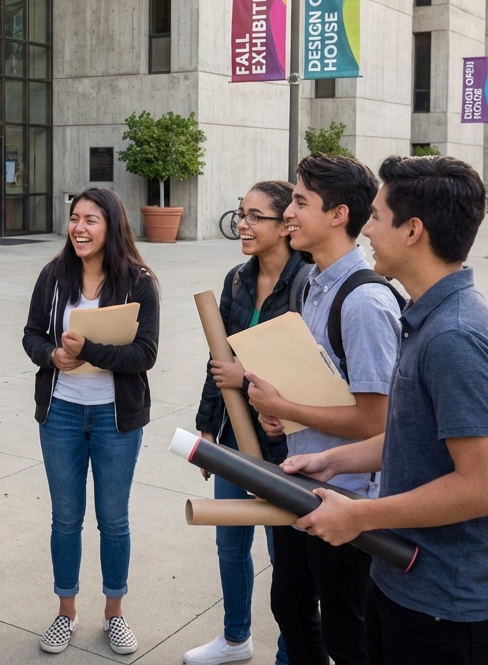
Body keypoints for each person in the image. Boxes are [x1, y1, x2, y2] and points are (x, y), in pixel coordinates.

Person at [283, 155, 488, 665]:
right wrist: (333, 462)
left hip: (444, 603)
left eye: (375, 217)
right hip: (403, 578)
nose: (365, 229)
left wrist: (360, 515)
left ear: (413, 230)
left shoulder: (455, 337)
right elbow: (417, 439)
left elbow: (485, 486)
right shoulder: (430, 318)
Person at [245, 154, 402, 665]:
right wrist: (281, 413)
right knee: (290, 608)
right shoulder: (313, 281)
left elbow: (377, 422)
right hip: (300, 481)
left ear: (338, 215)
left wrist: (287, 405)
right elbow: (321, 390)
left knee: (346, 631)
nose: (288, 212)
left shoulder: (365, 302)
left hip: (348, 497)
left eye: (300, 201)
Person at [22, 188, 160, 657]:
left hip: (115, 418)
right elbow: (31, 335)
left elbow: (146, 353)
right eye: (75, 218)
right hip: (60, 413)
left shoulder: (139, 281)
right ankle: (66, 613)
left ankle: (114, 615)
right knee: (65, 519)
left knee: (113, 520)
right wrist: (52, 355)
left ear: (112, 226)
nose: (79, 228)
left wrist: (87, 351)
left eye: (91, 220)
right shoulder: (54, 275)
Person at [184, 181, 311, 665]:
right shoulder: (237, 278)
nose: (244, 224)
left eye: (256, 216)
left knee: (286, 555)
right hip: (236, 433)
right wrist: (207, 428)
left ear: (285, 225)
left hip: (286, 441)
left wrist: (248, 375)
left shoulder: (307, 282)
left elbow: (310, 368)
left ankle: (290, 650)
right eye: (241, 214)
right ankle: (235, 639)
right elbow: (218, 360)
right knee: (230, 540)